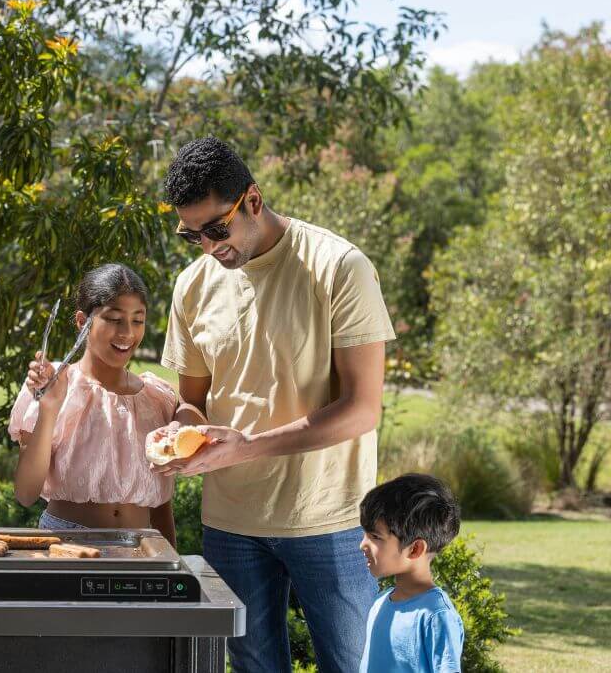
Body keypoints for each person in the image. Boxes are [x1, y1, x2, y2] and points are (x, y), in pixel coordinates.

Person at [150, 136, 396, 672]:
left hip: (328, 519)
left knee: (353, 666)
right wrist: (178, 436)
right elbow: (191, 404)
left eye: (218, 228)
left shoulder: (338, 267)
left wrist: (248, 447)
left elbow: (362, 407)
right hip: (231, 522)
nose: (210, 247)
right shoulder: (192, 287)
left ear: (254, 201)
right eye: (192, 235)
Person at [8, 264, 182, 544]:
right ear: (82, 321)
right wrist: (49, 408)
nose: (127, 332)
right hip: (67, 544)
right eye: (114, 319)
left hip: (143, 546)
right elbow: (26, 493)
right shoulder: (53, 384)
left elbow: (160, 498)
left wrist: (170, 561)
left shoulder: (157, 397)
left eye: (138, 320)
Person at [358, 473, 465, 673]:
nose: (362, 544)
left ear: (415, 549)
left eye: (375, 536)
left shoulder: (436, 616)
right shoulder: (380, 604)